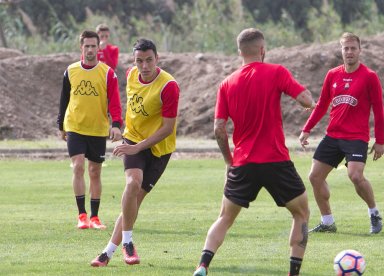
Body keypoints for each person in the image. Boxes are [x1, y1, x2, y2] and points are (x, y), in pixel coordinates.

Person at [193, 28, 316, 276]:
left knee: (225, 218)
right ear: (263, 49)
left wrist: (229, 161)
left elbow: (219, 129)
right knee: (301, 213)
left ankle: (203, 265)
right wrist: (311, 103)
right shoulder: (276, 72)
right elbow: (303, 98)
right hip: (275, 160)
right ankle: (293, 273)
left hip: (243, 163)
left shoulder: (227, 83)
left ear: (239, 52)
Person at [90, 38, 180, 267]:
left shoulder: (168, 86)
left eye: (149, 60)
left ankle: (107, 252)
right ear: (134, 61)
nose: (145, 66)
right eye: (140, 61)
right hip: (133, 140)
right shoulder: (130, 75)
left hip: (159, 149)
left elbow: (168, 128)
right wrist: (120, 127)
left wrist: (138, 147)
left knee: (134, 202)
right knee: (132, 184)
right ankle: (128, 243)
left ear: (157, 59)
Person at [299, 32, 384, 234]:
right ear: (341, 51)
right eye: (346, 48)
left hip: (356, 137)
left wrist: (380, 141)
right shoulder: (332, 74)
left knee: (355, 176)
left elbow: (379, 111)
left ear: (359, 50)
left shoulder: (369, 77)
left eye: (353, 48)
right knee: (314, 177)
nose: (349, 52)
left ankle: (374, 213)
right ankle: (327, 222)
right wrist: (306, 129)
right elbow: (321, 105)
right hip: (333, 136)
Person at [57, 30, 123, 230]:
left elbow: (115, 101)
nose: (90, 49)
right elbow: (64, 100)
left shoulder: (108, 73)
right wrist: (61, 124)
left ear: (98, 47)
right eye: (87, 46)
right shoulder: (71, 71)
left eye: (94, 46)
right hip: (75, 126)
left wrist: (117, 124)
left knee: (94, 171)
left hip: (97, 129)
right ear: (81, 47)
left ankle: (95, 217)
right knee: (78, 166)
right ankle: (82, 215)